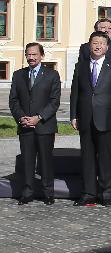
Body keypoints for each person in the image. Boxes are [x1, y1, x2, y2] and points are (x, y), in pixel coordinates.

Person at [70, 31, 111, 207]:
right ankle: (88, 193)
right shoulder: (80, 66)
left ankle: (106, 193)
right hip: (85, 117)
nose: (98, 46)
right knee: (87, 157)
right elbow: (75, 93)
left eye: (101, 43)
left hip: (107, 118)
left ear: (107, 47)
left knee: (106, 157)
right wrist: (73, 115)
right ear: (89, 45)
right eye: (95, 43)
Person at [9, 43, 61, 205]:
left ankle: (48, 193)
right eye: (28, 55)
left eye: (34, 55)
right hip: (25, 125)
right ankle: (27, 192)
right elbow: (13, 100)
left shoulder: (52, 75)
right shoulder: (18, 75)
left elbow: (54, 101)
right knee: (27, 161)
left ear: (42, 56)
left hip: (45, 126)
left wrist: (39, 117)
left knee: (46, 161)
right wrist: (21, 117)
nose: (31, 58)